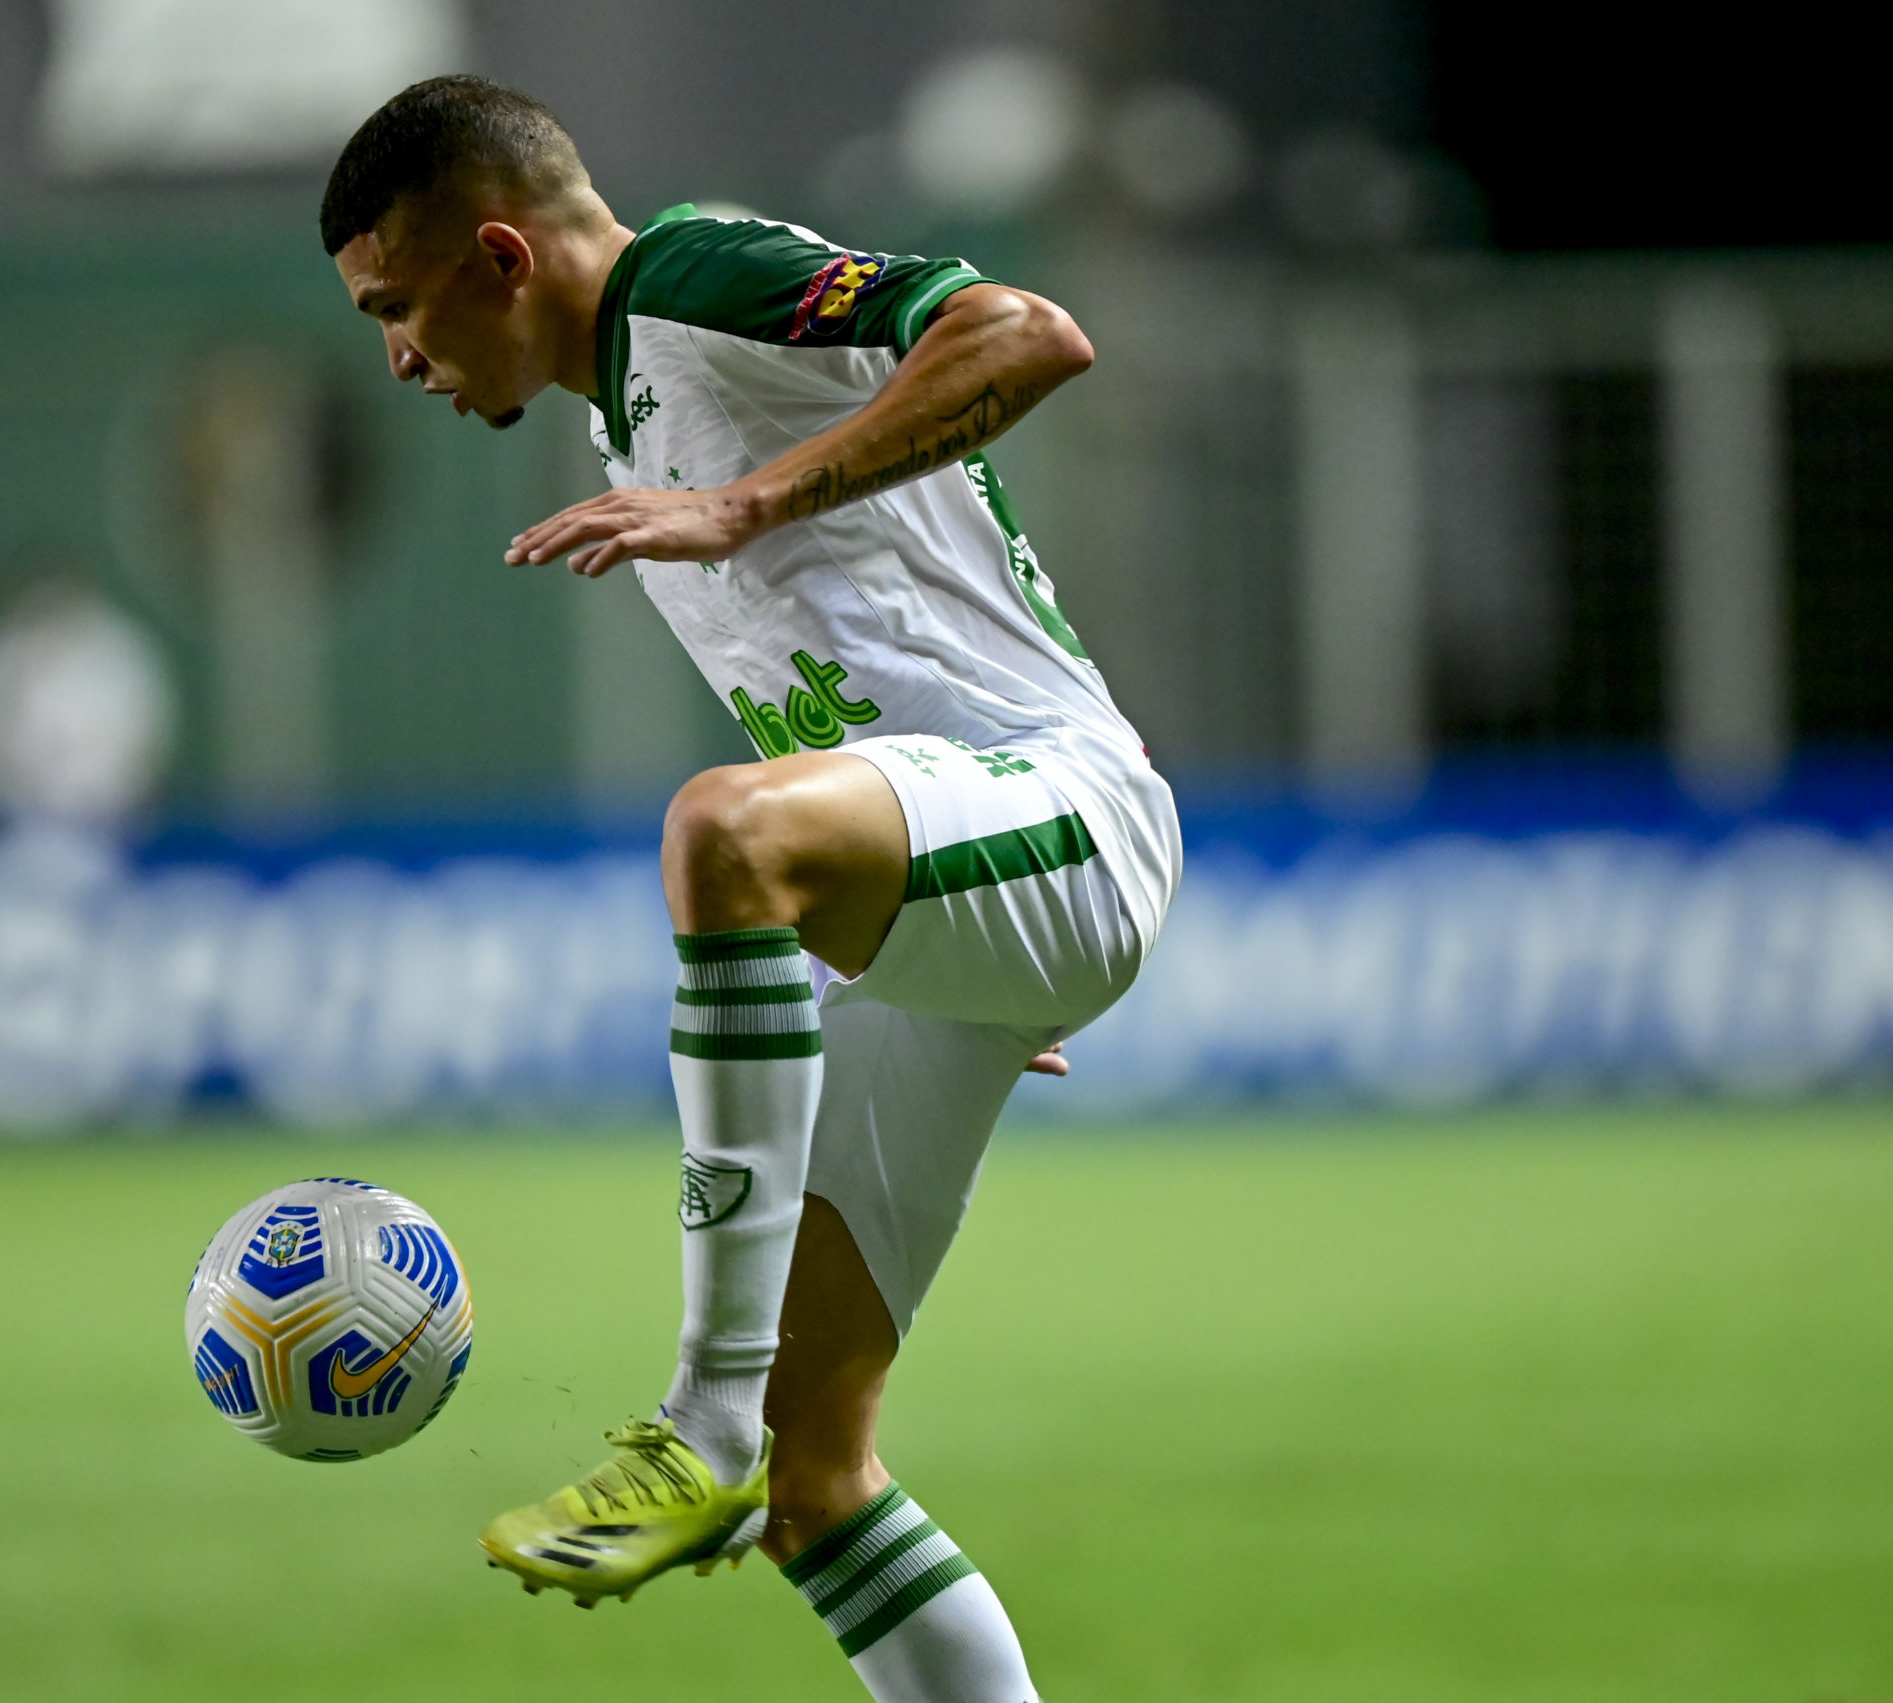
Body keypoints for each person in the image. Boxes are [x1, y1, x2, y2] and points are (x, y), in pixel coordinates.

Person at [321, 76, 1179, 1703]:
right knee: (821, 1496)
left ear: (499, 255)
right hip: (950, 864)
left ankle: (699, 1415)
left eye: (395, 308)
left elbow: (1029, 332)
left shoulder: (694, 279)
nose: (399, 357)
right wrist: (928, 935)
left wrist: (745, 503)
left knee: (721, 833)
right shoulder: (619, 412)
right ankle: (747, 1448)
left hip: (1070, 805)